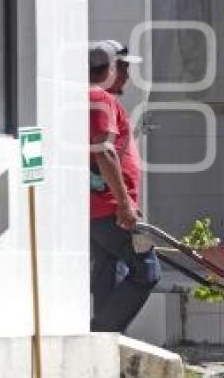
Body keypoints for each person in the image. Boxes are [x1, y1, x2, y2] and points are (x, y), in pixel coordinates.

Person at [88, 40, 160, 332]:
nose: (128, 76)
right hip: (110, 209)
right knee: (147, 270)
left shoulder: (91, 98)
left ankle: (105, 349)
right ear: (111, 68)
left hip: (102, 209)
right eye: (124, 68)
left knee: (109, 272)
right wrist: (124, 203)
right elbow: (103, 150)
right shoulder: (99, 98)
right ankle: (102, 334)